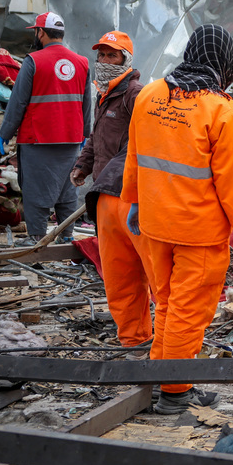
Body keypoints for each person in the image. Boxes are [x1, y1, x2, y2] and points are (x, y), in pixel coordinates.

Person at [122, 24, 233, 414]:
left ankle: (160, 378)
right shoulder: (220, 109)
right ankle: (175, 392)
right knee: (188, 312)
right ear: (220, 61)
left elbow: (134, 156)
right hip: (196, 232)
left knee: (166, 304)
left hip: (153, 223)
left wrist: (133, 201)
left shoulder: (150, 94)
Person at [69, 31, 150, 351]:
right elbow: (97, 137)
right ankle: (134, 342)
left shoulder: (135, 94)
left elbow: (141, 145)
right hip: (105, 197)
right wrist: (83, 165)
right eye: (101, 55)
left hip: (130, 199)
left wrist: (114, 180)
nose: (103, 61)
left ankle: (170, 350)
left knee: (150, 276)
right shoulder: (106, 94)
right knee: (119, 280)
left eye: (111, 56)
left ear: (126, 61)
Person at [0, 12, 91, 245]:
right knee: (67, 188)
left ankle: (37, 238)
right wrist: (84, 134)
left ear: (41, 32)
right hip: (70, 139)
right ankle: (67, 237)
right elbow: (87, 103)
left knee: (36, 188)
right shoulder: (82, 62)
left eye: (36, 31)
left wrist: (5, 133)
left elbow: (18, 102)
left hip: (37, 139)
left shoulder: (33, 61)